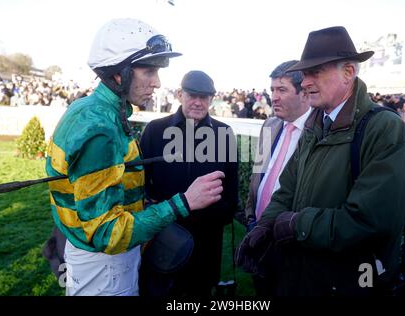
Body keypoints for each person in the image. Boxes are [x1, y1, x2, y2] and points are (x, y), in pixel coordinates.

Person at [236, 26, 405, 296]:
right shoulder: (316, 124)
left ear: (349, 72)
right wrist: (266, 225)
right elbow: (287, 187)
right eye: (305, 74)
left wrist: (296, 225)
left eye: (316, 72)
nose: (306, 82)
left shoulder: (384, 129)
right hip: (301, 279)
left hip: (348, 285)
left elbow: (372, 221)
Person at [45, 18, 224, 296]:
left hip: (96, 260)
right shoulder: (99, 129)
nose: (157, 82)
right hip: (105, 267)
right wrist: (184, 202)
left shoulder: (91, 110)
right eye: (149, 71)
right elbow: (108, 233)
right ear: (120, 73)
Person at [139, 70, 238, 296]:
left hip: (205, 247)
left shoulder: (224, 134)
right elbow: (138, 187)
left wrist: (208, 214)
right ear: (179, 94)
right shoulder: (156, 130)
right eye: (192, 95)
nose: (197, 102)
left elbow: (231, 196)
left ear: (212, 99)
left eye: (204, 97)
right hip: (161, 242)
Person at [243, 60, 311, 295]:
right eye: (272, 90)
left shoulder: (319, 132)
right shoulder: (270, 125)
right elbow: (258, 176)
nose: (274, 97)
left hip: (290, 241)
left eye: (282, 90)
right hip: (257, 231)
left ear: (304, 93)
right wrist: (251, 218)